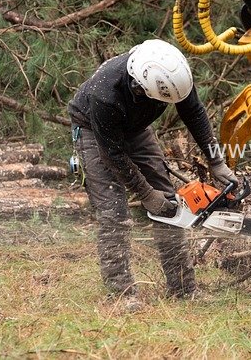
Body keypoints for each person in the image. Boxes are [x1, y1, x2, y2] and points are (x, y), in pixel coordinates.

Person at [68, 39, 238, 306]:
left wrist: (216, 161)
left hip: (135, 130)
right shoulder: (105, 93)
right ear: (139, 87)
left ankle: (183, 287)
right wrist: (146, 194)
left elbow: (194, 112)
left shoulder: (172, 74)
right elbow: (112, 155)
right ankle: (122, 292)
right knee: (114, 212)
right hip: (93, 130)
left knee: (168, 204)